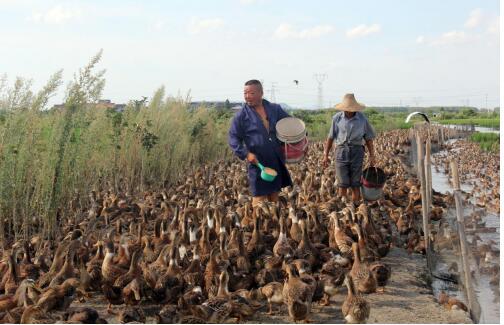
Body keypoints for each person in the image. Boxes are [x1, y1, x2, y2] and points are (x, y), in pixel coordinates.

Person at [228, 79, 293, 207]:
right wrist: (246, 154)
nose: (247, 96)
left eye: (251, 93)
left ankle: (275, 225)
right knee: (259, 201)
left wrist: (299, 139)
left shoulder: (275, 109)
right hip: (258, 163)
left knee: (275, 199)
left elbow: (289, 124)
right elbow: (233, 138)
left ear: (261, 93)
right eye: (245, 93)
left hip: (275, 161)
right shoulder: (241, 116)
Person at [322, 93, 376, 204]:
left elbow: (368, 139)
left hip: (357, 151)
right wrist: (325, 155)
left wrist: (372, 156)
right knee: (342, 183)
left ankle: (355, 206)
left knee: (355, 183)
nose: (349, 111)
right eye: (347, 109)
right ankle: (342, 208)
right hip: (341, 151)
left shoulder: (362, 119)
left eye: (351, 109)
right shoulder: (337, 118)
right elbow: (330, 137)